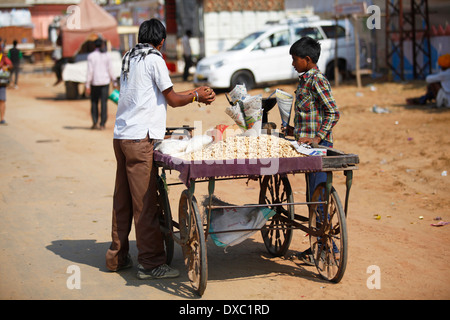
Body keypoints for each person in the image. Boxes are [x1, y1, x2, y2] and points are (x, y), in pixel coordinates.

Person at [105, 19, 215, 280]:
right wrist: (197, 95)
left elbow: (160, 94)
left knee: (122, 201)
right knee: (145, 203)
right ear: (161, 41)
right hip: (139, 140)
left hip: (121, 137)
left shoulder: (130, 56)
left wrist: (194, 92)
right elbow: (174, 100)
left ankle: (117, 257)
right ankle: (151, 264)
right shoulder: (154, 59)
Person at [282, 36, 340, 264]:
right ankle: (318, 245)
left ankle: (328, 247)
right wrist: (292, 130)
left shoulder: (317, 80)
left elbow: (333, 112)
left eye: (295, 59)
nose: (293, 63)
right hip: (307, 148)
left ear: (307, 59)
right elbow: (310, 117)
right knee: (311, 198)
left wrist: (317, 138)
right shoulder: (304, 81)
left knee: (319, 198)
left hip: (319, 149)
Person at [86, 38, 116, 130]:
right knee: (104, 103)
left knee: (94, 103)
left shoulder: (91, 56)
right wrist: (114, 81)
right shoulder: (107, 55)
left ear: (94, 46)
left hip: (94, 83)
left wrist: (87, 85)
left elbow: (89, 71)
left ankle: (95, 122)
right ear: (102, 45)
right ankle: (102, 124)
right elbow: (110, 69)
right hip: (104, 83)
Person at [0, 47, 12, 125]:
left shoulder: (3, 57)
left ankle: (2, 119)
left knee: (2, 100)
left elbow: (10, 65)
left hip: (1, 82)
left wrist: (5, 67)